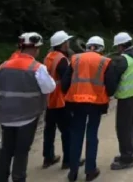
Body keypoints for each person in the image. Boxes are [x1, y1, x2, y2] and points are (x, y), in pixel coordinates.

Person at [0, 32, 56, 182]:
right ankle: (18, 178)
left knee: (6, 150)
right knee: (21, 151)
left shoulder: (3, 66)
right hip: (27, 116)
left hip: (6, 116)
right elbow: (49, 88)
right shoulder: (37, 68)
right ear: (35, 49)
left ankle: (1, 178)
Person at [61, 36, 111, 182]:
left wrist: (69, 95)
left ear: (88, 46)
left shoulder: (75, 59)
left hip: (76, 102)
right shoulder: (105, 61)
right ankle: (90, 171)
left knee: (76, 135)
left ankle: (73, 172)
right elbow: (111, 86)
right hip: (96, 103)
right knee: (92, 135)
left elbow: (65, 83)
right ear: (101, 48)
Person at [104, 32, 133, 171]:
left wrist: (108, 94)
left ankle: (126, 158)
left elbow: (111, 80)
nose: (117, 49)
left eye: (118, 46)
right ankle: (129, 151)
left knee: (123, 127)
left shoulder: (122, 60)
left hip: (126, 97)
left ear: (122, 46)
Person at [42, 30, 77, 170]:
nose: (68, 44)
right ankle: (68, 160)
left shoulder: (48, 57)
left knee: (49, 130)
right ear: (63, 44)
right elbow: (66, 80)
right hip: (61, 100)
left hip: (49, 99)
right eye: (67, 42)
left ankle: (48, 157)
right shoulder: (62, 59)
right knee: (67, 131)